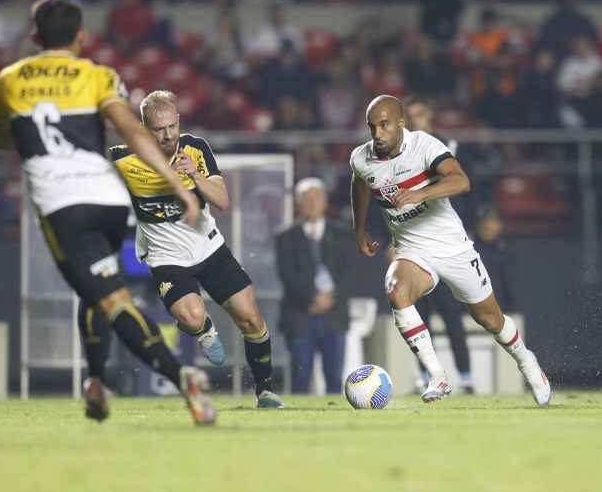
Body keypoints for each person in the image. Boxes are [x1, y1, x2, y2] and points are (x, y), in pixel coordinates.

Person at [0, 0, 215, 425]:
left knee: (112, 299)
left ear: (34, 37)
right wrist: (178, 188)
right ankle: (95, 380)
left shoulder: (11, 79)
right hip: (108, 199)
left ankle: (182, 377)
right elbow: (130, 129)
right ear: (82, 36)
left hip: (63, 205)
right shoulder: (97, 75)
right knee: (97, 289)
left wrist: (31, 135)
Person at [350, 94, 551, 405]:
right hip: (412, 249)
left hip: (452, 248)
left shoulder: (426, 146)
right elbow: (361, 182)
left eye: (385, 125)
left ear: (402, 123)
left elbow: (461, 181)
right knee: (396, 291)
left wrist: (419, 195)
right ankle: (437, 377)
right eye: (372, 127)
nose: (377, 134)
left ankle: (528, 363)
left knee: (490, 320)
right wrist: (360, 228)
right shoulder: (361, 157)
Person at [102, 89, 285, 409]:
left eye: (172, 126)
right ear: (145, 129)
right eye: (159, 130)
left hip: (209, 249)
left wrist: (195, 175)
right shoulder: (122, 157)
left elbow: (224, 201)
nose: (168, 135)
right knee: (191, 317)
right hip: (166, 258)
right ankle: (204, 331)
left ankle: (265, 391)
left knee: (251, 318)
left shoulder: (195, 148)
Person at [401, 95, 474, 393]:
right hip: (417, 243)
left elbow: (468, 189)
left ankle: (466, 376)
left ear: (429, 115)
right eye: (411, 116)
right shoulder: (401, 154)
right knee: (420, 316)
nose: (416, 120)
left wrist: (469, 231)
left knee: (453, 315)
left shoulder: (448, 148)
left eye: (419, 114)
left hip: (448, 241)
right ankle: (425, 375)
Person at [275, 178, 355, 394]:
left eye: (316, 198)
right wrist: (312, 298)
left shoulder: (342, 233)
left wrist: (330, 298)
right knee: (300, 379)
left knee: (335, 379)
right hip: (301, 314)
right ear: (298, 203)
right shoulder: (285, 236)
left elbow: (350, 271)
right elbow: (286, 274)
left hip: (334, 315)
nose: (311, 203)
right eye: (306, 199)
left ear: (325, 202)